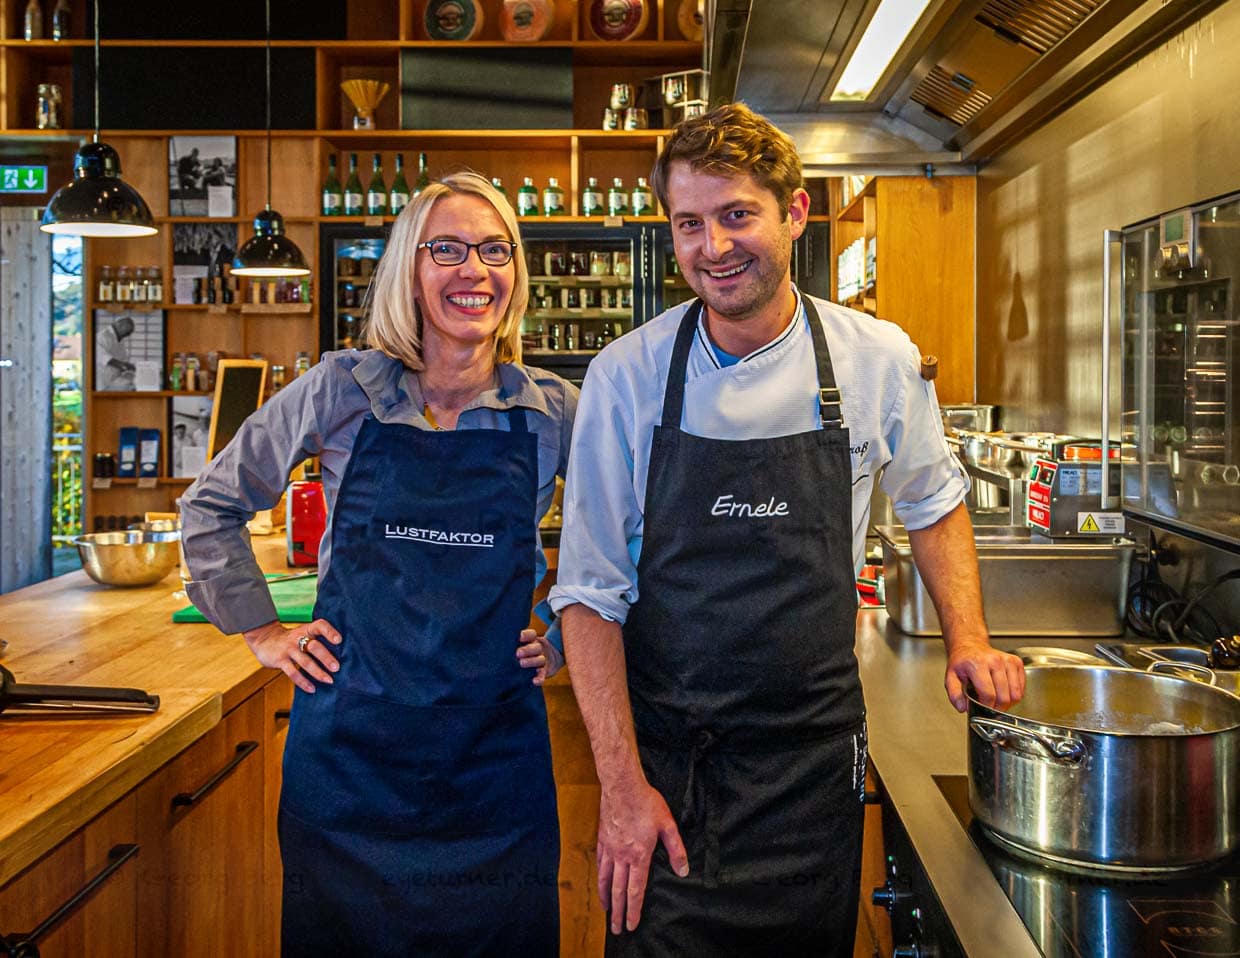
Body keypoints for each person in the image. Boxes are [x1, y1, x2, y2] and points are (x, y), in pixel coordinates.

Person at [548, 103, 1027, 957]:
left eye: (737, 215)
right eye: (689, 223)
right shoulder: (627, 375)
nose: (713, 246)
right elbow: (587, 592)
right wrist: (620, 787)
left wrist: (969, 638)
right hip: (672, 767)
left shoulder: (873, 358)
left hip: (810, 765)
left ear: (795, 213)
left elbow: (933, 499)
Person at [179, 171, 576, 957]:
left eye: (496, 250)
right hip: (352, 763)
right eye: (449, 249)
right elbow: (210, 504)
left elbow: (626, 542)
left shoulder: (555, 410)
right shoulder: (339, 391)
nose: (476, 270)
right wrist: (261, 630)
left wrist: (561, 631)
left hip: (493, 766)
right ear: (409, 269)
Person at [95, 314, 135, 390]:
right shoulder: (102, 336)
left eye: (129, 333)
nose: (128, 335)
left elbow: (123, 358)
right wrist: (122, 365)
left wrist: (129, 366)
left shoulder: (120, 338)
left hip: (115, 379)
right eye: (127, 332)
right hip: (101, 381)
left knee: (132, 387)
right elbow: (102, 356)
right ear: (119, 324)